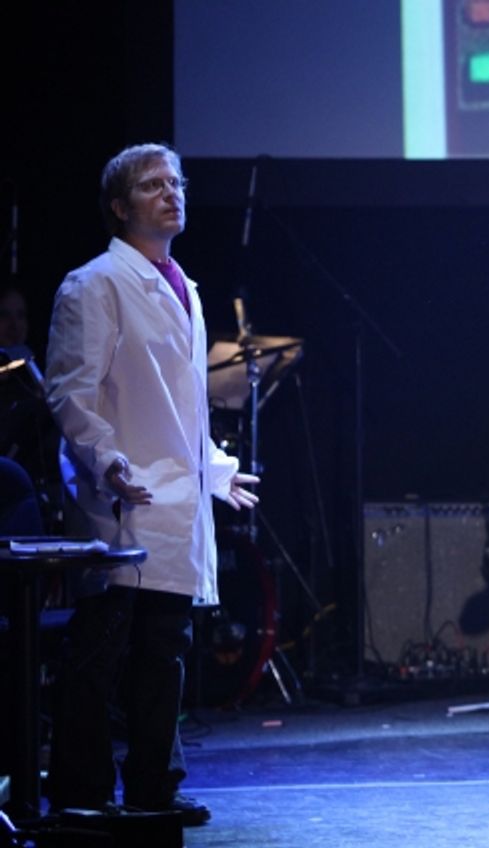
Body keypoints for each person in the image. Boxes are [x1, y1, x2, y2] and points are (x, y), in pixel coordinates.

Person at [42, 143, 260, 823]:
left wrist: (217, 472)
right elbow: (71, 392)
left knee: (165, 650)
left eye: (177, 182)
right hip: (123, 498)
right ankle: (80, 789)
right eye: (152, 185)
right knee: (104, 649)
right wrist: (106, 460)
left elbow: (180, 403)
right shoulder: (95, 284)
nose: (172, 193)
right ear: (118, 206)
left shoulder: (182, 287)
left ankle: (152, 786)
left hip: (172, 501)